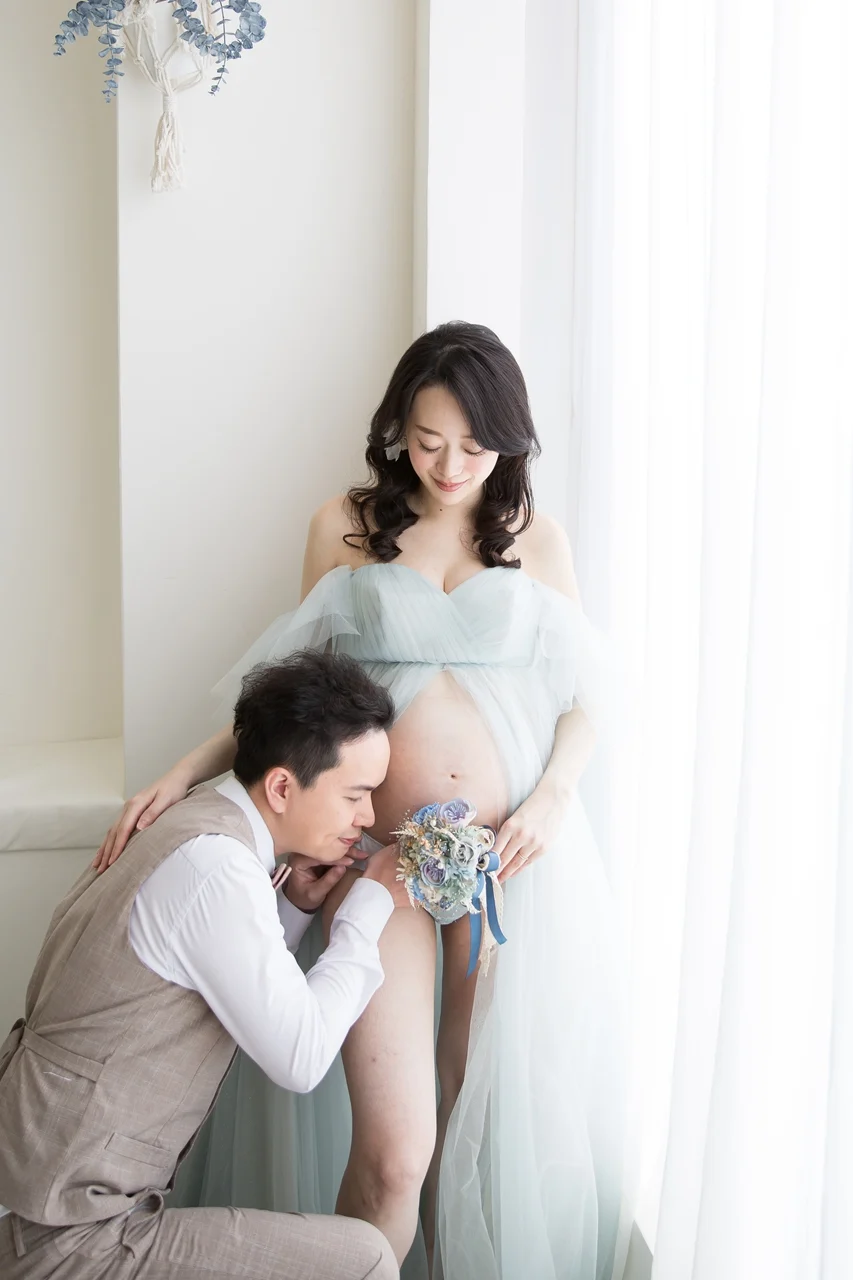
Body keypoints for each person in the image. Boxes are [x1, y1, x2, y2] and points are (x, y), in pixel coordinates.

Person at [96, 321, 626, 1280]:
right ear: (396, 431)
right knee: (394, 1156)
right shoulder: (343, 525)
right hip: (384, 864)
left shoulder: (535, 539)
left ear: (510, 440)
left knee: (478, 1131)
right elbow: (290, 702)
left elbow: (588, 699)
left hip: (508, 862)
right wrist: (184, 771)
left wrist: (551, 797)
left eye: (474, 445)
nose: (450, 466)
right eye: (427, 441)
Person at [0, 652, 407, 1280]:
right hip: (60, 1232)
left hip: (37, 1191)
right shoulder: (216, 868)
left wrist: (295, 907)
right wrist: (368, 909)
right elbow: (301, 1058)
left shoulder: (194, 822)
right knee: (368, 1260)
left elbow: (210, 976)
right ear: (281, 787)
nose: (369, 817)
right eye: (356, 794)